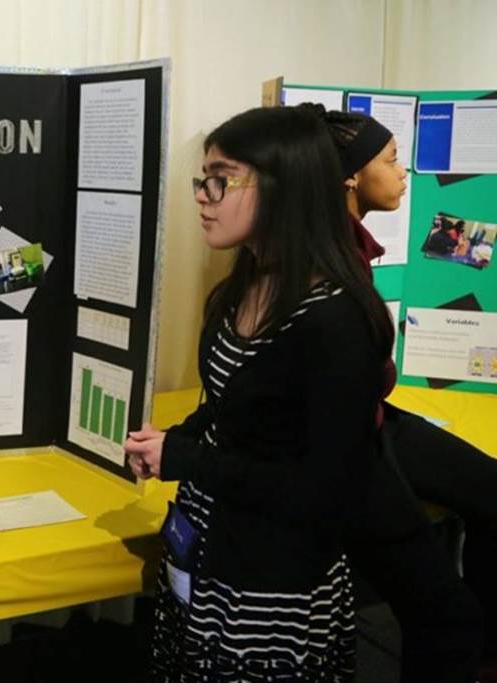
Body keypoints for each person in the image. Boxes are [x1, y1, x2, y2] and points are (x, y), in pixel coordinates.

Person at [125, 105, 396, 680]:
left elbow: (324, 491)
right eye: (203, 179)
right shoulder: (240, 289)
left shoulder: (335, 323)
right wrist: (174, 440)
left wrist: (186, 458)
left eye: (220, 180)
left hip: (273, 589)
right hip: (212, 551)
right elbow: (230, 409)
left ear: (285, 186)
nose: (203, 195)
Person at [321, 107, 495, 682]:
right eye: (392, 160)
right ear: (349, 175)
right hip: (350, 443)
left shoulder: (353, 249)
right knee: (446, 618)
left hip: (372, 418)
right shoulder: (327, 263)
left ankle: (480, 648)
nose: (405, 174)